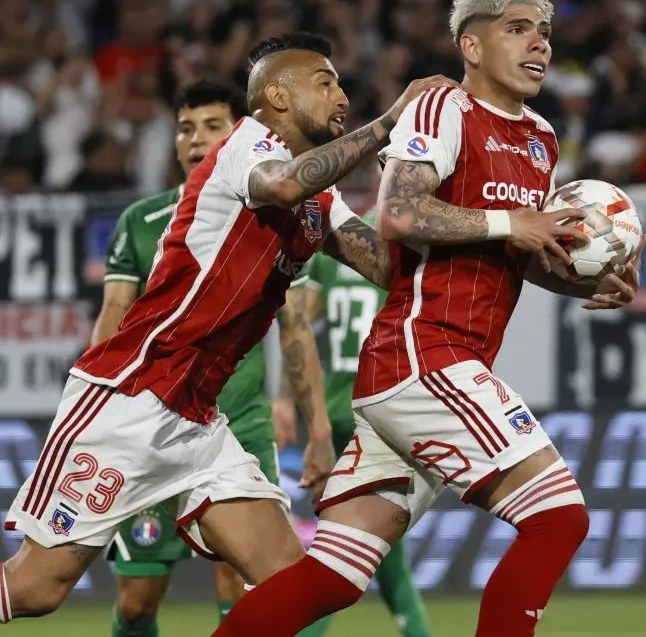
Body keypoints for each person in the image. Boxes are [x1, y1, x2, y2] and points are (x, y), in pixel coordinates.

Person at [215, 0, 641, 637]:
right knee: (558, 516)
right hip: (424, 355)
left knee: (332, 576)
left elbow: (522, 249)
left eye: (544, 34)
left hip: (432, 368)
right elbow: (399, 212)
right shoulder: (443, 109)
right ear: (471, 46)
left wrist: (589, 281)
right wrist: (512, 223)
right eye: (518, 29)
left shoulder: (541, 138)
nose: (539, 44)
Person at [0, 31, 453, 623]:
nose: (342, 96)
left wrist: (460, 211)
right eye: (325, 83)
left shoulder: (323, 203)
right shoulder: (244, 145)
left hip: (197, 422)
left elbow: (391, 270)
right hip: (131, 398)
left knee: (288, 584)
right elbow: (284, 184)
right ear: (279, 97)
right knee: (35, 590)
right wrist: (389, 123)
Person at [94, 78, 332, 636]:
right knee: (137, 599)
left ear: (241, 135)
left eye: (212, 126)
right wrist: (101, 410)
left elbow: (295, 325)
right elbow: (112, 318)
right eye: (185, 128)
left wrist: (314, 422)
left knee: (246, 583)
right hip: (152, 423)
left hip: (239, 423)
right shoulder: (141, 222)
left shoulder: (274, 218)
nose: (197, 139)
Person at [279, 214, 434, 637]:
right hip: (385, 409)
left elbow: (297, 322)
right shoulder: (413, 243)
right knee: (355, 552)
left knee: (372, 550)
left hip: (335, 411)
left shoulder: (338, 246)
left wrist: (285, 398)